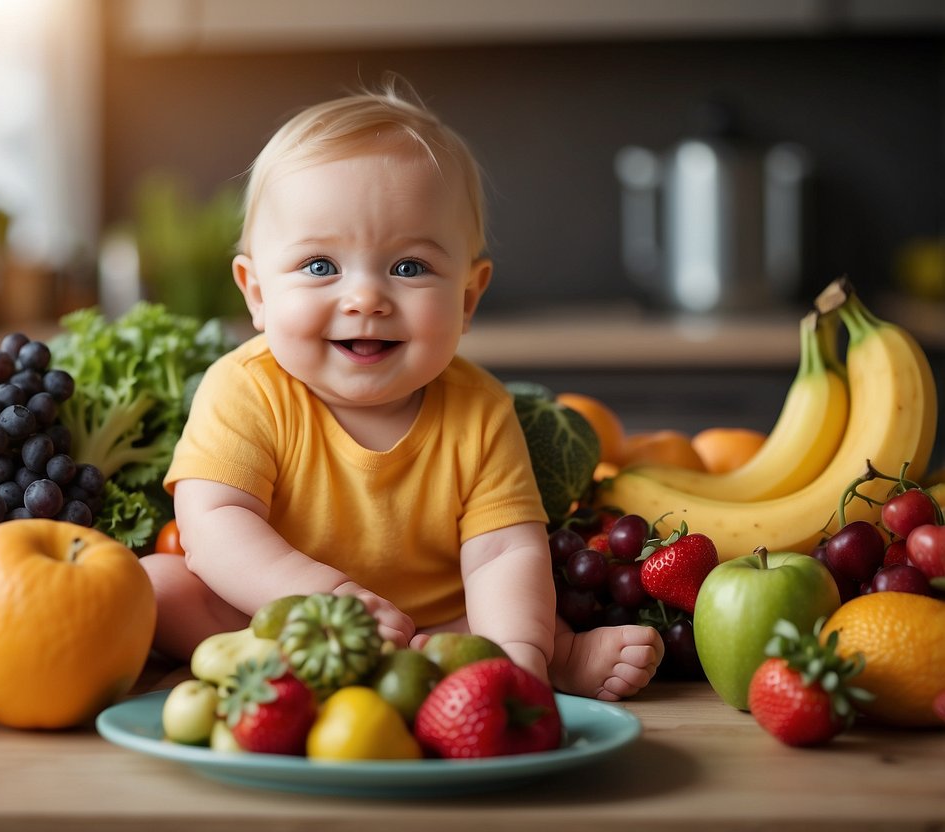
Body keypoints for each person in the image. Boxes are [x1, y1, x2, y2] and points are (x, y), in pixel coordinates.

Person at [141, 82, 663, 701]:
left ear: (468, 297)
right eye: (320, 266)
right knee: (159, 586)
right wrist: (325, 601)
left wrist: (516, 663)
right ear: (257, 293)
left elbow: (501, 553)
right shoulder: (245, 389)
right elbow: (216, 525)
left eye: (409, 267)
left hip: (437, 631)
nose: (365, 298)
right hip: (279, 620)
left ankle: (549, 662)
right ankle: (300, 668)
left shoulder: (481, 410)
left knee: (521, 603)